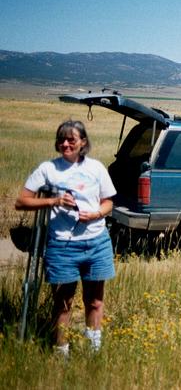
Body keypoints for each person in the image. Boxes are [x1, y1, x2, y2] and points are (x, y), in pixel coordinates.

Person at [15, 120, 117, 357]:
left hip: (96, 242)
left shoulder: (96, 168)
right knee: (63, 305)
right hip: (62, 245)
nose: (65, 144)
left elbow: (108, 202)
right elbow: (22, 201)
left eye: (71, 139)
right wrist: (55, 201)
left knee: (95, 301)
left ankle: (94, 352)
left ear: (83, 142)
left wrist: (96, 214)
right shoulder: (48, 169)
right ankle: (61, 354)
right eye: (61, 139)